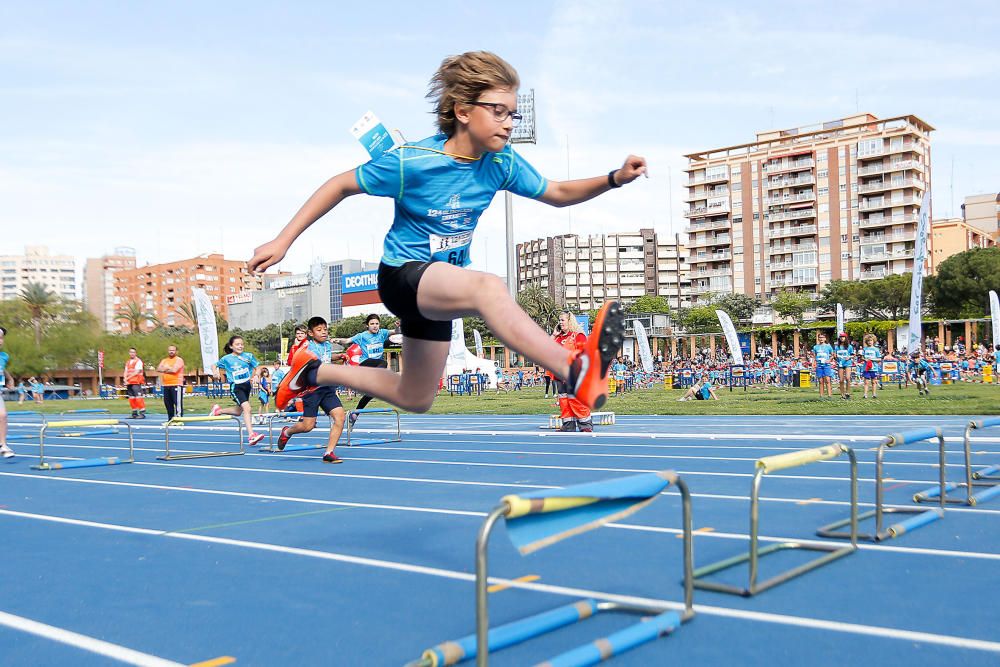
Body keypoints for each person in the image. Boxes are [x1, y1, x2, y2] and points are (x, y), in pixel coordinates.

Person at [252, 51, 634, 418]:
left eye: (513, 114)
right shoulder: (413, 162)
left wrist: (614, 178)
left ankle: (313, 372)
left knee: (416, 397)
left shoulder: (501, 162)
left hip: (441, 291)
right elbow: (339, 185)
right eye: (498, 111)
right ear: (463, 111)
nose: (508, 122)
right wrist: (283, 240)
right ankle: (575, 369)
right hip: (403, 276)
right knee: (488, 288)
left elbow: (558, 193)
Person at [276, 317, 347, 463]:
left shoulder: (327, 345)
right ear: (311, 333)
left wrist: (338, 356)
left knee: (340, 417)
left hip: (327, 388)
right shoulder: (306, 348)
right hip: (312, 391)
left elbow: (326, 358)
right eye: (319, 330)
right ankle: (287, 432)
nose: (323, 332)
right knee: (307, 426)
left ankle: (329, 452)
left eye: (325, 329)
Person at [331, 314, 401, 426]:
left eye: (377, 324)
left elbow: (395, 332)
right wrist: (337, 340)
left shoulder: (382, 333)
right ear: (367, 325)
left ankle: (355, 414)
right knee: (384, 363)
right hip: (364, 364)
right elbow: (347, 340)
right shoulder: (362, 336)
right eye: (372, 324)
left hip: (376, 367)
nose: (375, 326)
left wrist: (398, 326)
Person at [211, 336, 265, 445]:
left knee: (239, 411)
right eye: (237, 344)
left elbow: (258, 367)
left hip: (246, 386)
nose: (240, 346)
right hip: (235, 387)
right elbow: (214, 365)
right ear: (231, 346)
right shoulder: (227, 359)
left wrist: (257, 375)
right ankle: (251, 435)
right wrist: (215, 372)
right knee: (247, 408)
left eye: (242, 344)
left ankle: (218, 411)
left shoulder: (248, 356)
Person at [553, 312, 593, 432]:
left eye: (563, 320)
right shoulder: (558, 338)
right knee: (563, 400)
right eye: (559, 320)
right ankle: (568, 425)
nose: (560, 322)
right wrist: (554, 335)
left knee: (576, 399)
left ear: (570, 321)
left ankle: (585, 425)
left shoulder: (578, 336)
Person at [156, 344, 185, 421]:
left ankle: (179, 418)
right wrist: (169, 368)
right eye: (170, 350)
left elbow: (174, 370)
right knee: (168, 403)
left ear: (176, 351)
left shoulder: (179, 360)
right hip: (166, 385)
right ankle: (170, 419)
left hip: (176, 384)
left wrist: (165, 368)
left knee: (177, 403)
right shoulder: (164, 360)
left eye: (173, 350)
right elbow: (158, 369)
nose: (171, 352)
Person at [0, 327, 14, 459]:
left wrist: (9, 378)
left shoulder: (3, 356)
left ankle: (3, 444)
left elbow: (2, 369)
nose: (0, 341)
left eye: (1, 338)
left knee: (3, 415)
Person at [124, 347, 146, 418]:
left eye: (133, 352)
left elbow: (137, 372)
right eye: (131, 352)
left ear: (135, 353)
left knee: (138, 397)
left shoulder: (138, 361)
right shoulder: (128, 362)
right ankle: (134, 412)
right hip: (129, 382)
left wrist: (127, 378)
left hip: (136, 382)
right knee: (131, 398)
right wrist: (125, 379)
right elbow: (126, 371)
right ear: (129, 353)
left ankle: (142, 412)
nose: (132, 353)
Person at [812, 333, 835, 398]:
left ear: (825, 338)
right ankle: (821, 395)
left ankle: (829, 395)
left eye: (822, 337)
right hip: (819, 365)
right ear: (818, 338)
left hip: (826, 365)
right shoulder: (815, 347)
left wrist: (829, 360)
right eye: (820, 337)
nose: (821, 339)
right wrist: (813, 364)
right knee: (820, 381)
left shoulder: (828, 346)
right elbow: (814, 356)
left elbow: (833, 354)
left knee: (827, 380)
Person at [834, 333, 855, 400]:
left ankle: (848, 392)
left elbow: (853, 355)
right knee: (841, 380)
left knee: (848, 378)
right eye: (841, 337)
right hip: (840, 364)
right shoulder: (837, 347)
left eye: (843, 337)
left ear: (846, 338)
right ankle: (842, 394)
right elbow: (835, 355)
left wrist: (849, 357)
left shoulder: (849, 346)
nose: (842, 338)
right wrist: (835, 357)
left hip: (847, 363)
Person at [860, 334, 882, 399]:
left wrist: (872, 359)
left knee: (873, 381)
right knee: (866, 381)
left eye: (871, 340)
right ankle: (865, 394)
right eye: (868, 341)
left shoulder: (876, 349)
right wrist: (864, 359)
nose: (870, 342)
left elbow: (879, 359)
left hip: (874, 368)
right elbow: (862, 357)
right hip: (866, 368)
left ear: (873, 341)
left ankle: (874, 394)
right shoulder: (865, 349)